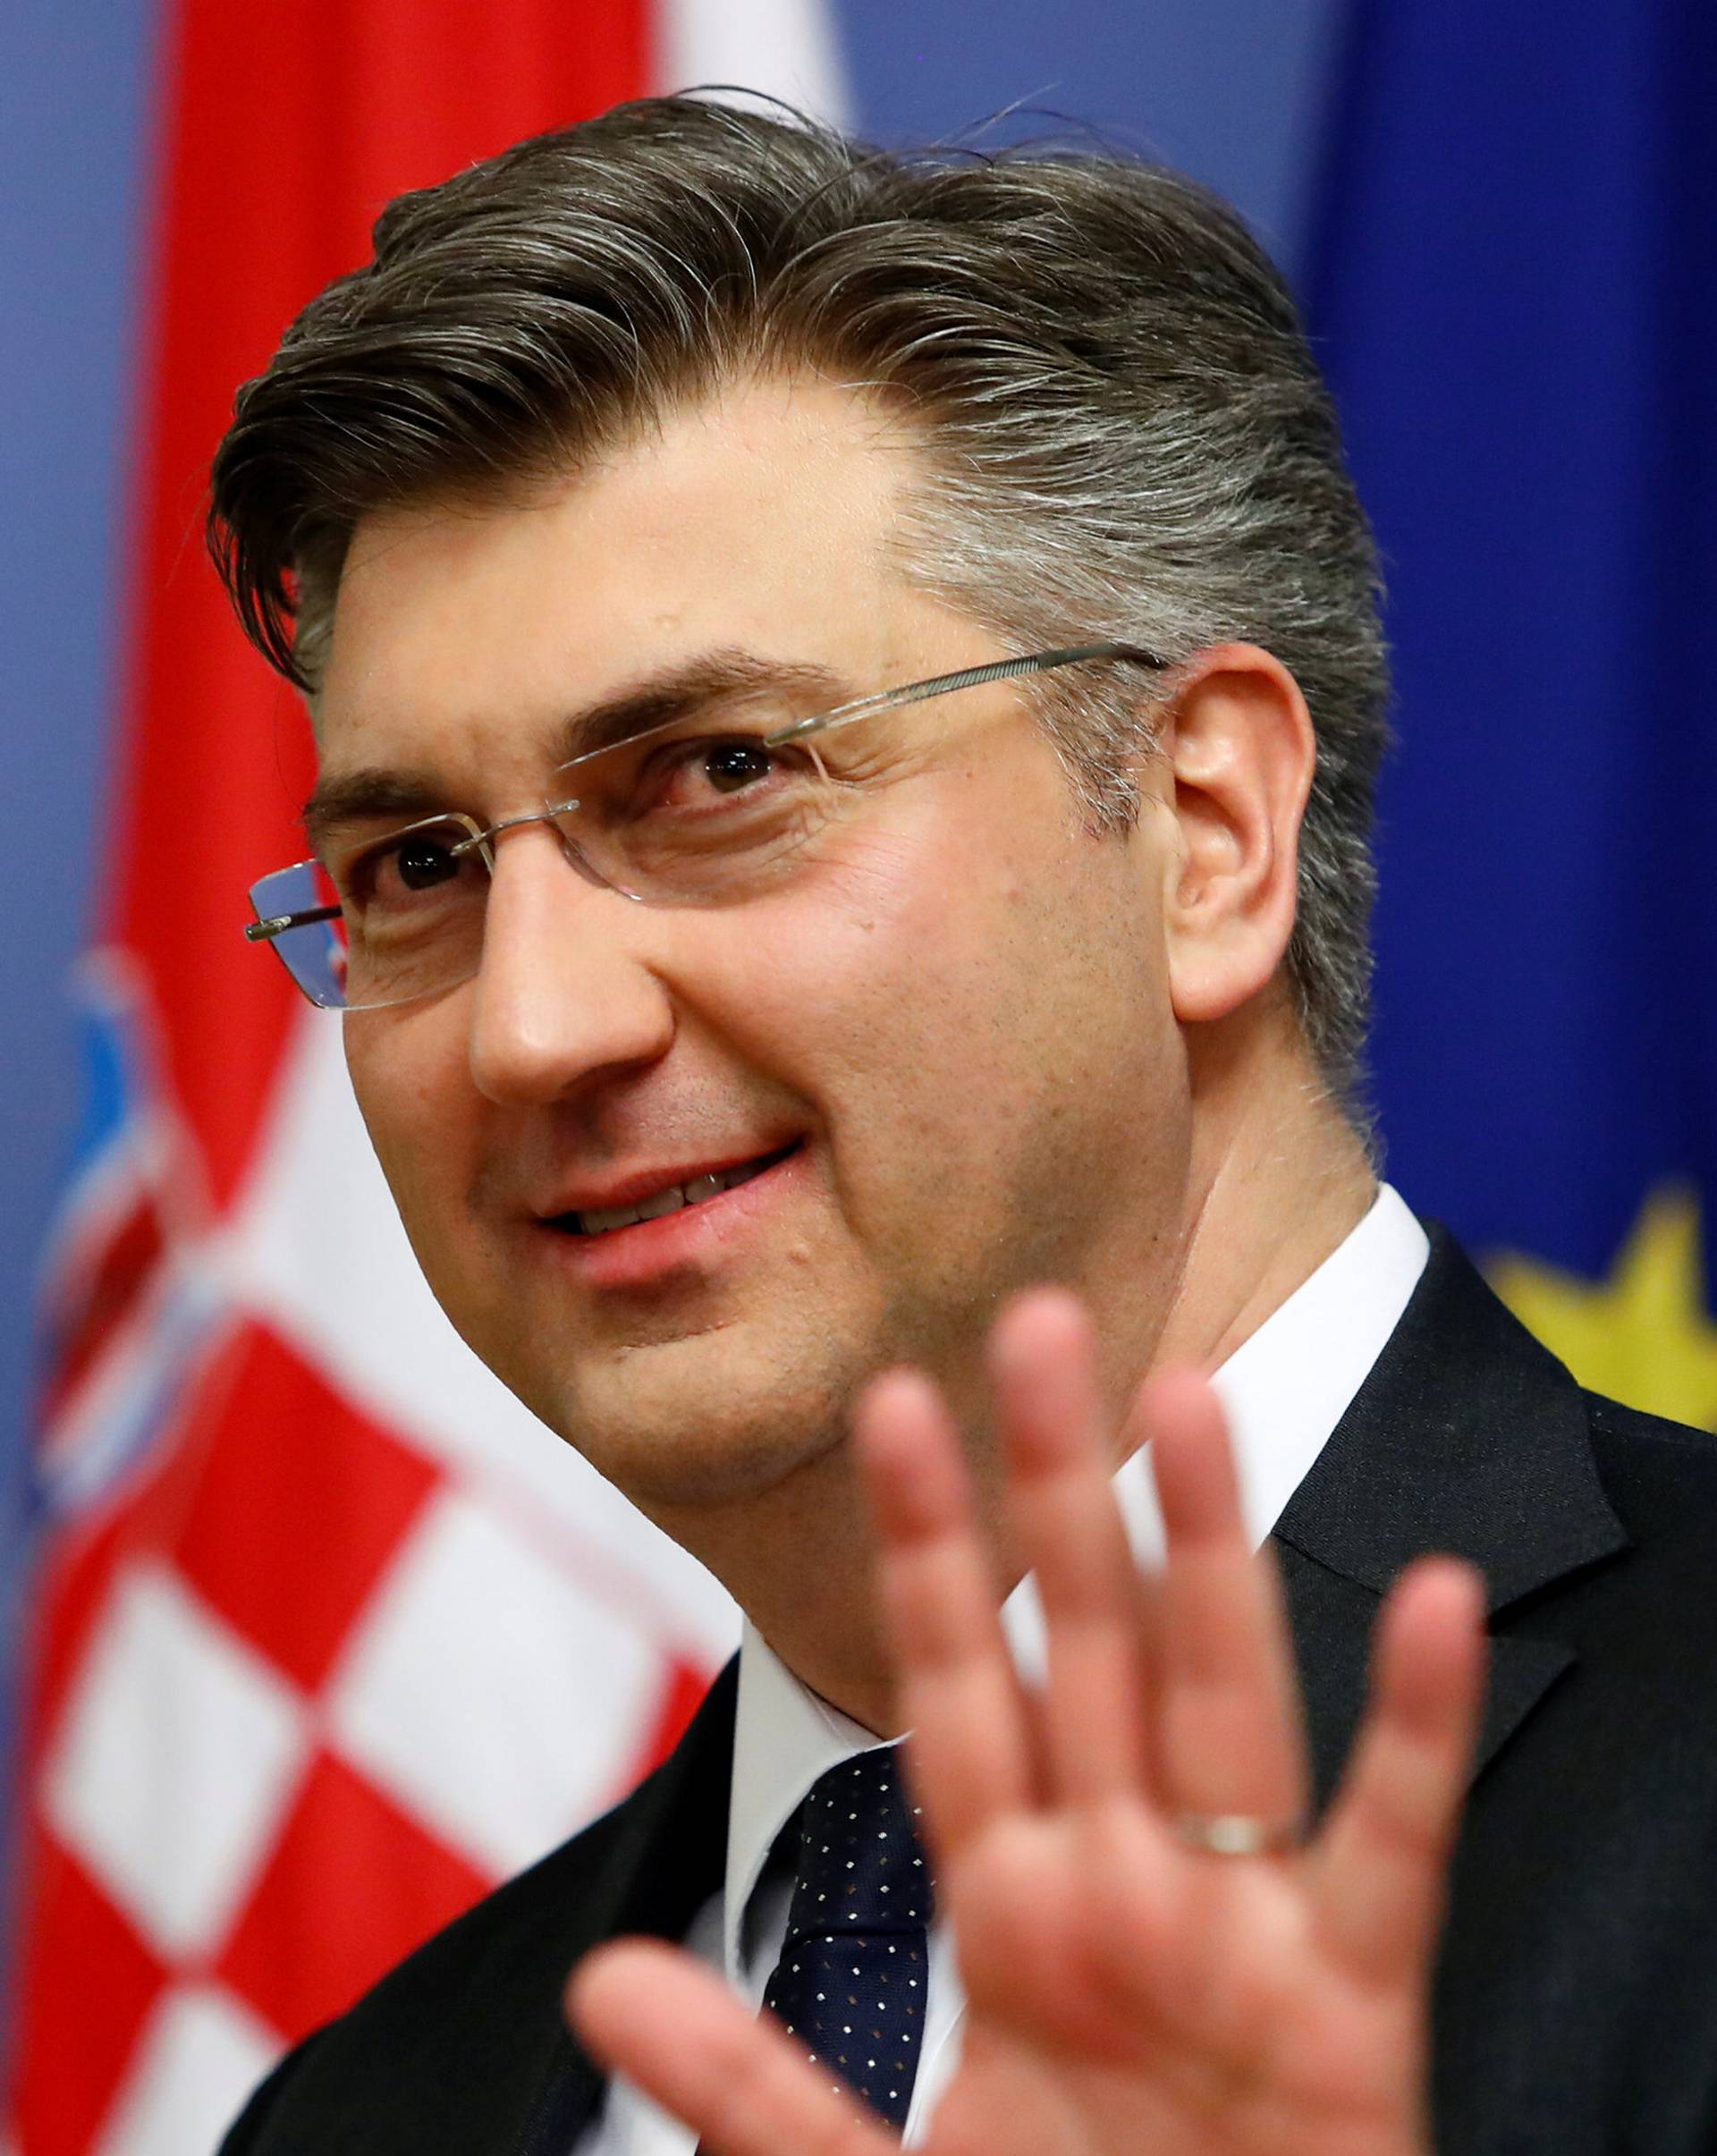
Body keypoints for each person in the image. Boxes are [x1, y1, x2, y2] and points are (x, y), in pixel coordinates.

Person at [209, 97, 1717, 2154]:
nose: (531, 1027)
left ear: (1201, 831)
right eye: (415, 869)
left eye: (724, 768)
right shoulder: (368, 2117)